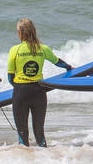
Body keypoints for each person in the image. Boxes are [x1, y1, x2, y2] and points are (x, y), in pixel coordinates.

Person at [7, 19, 73, 147]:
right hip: (39, 92)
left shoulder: (14, 50)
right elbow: (59, 62)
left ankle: (26, 163)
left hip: (21, 93)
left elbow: (10, 78)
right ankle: (45, 161)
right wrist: (70, 68)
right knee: (39, 132)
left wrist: (20, 89)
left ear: (20, 33)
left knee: (22, 133)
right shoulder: (43, 49)